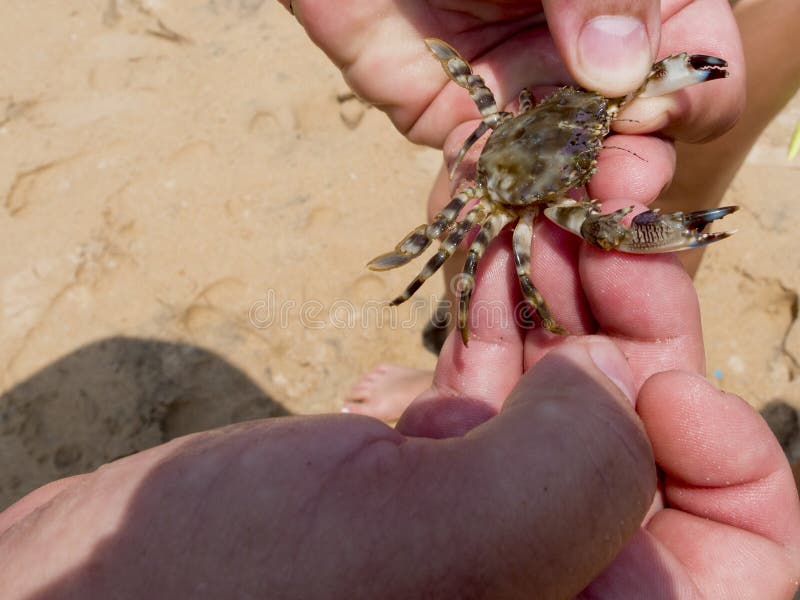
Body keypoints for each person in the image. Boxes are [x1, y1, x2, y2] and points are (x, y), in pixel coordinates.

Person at [1, 1, 798, 598]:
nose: (596, 147)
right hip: (505, 194)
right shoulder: (515, 206)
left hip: (528, 132)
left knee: (583, 225)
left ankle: (492, 351)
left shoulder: (551, 111)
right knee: (518, 273)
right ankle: (517, 345)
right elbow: (459, 230)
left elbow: (522, 102)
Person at [346, 0, 800, 421]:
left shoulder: (565, 106)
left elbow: (479, 82)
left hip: (550, 114)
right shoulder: (490, 193)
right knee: (482, 266)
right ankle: (470, 355)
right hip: (502, 189)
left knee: (666, 175)